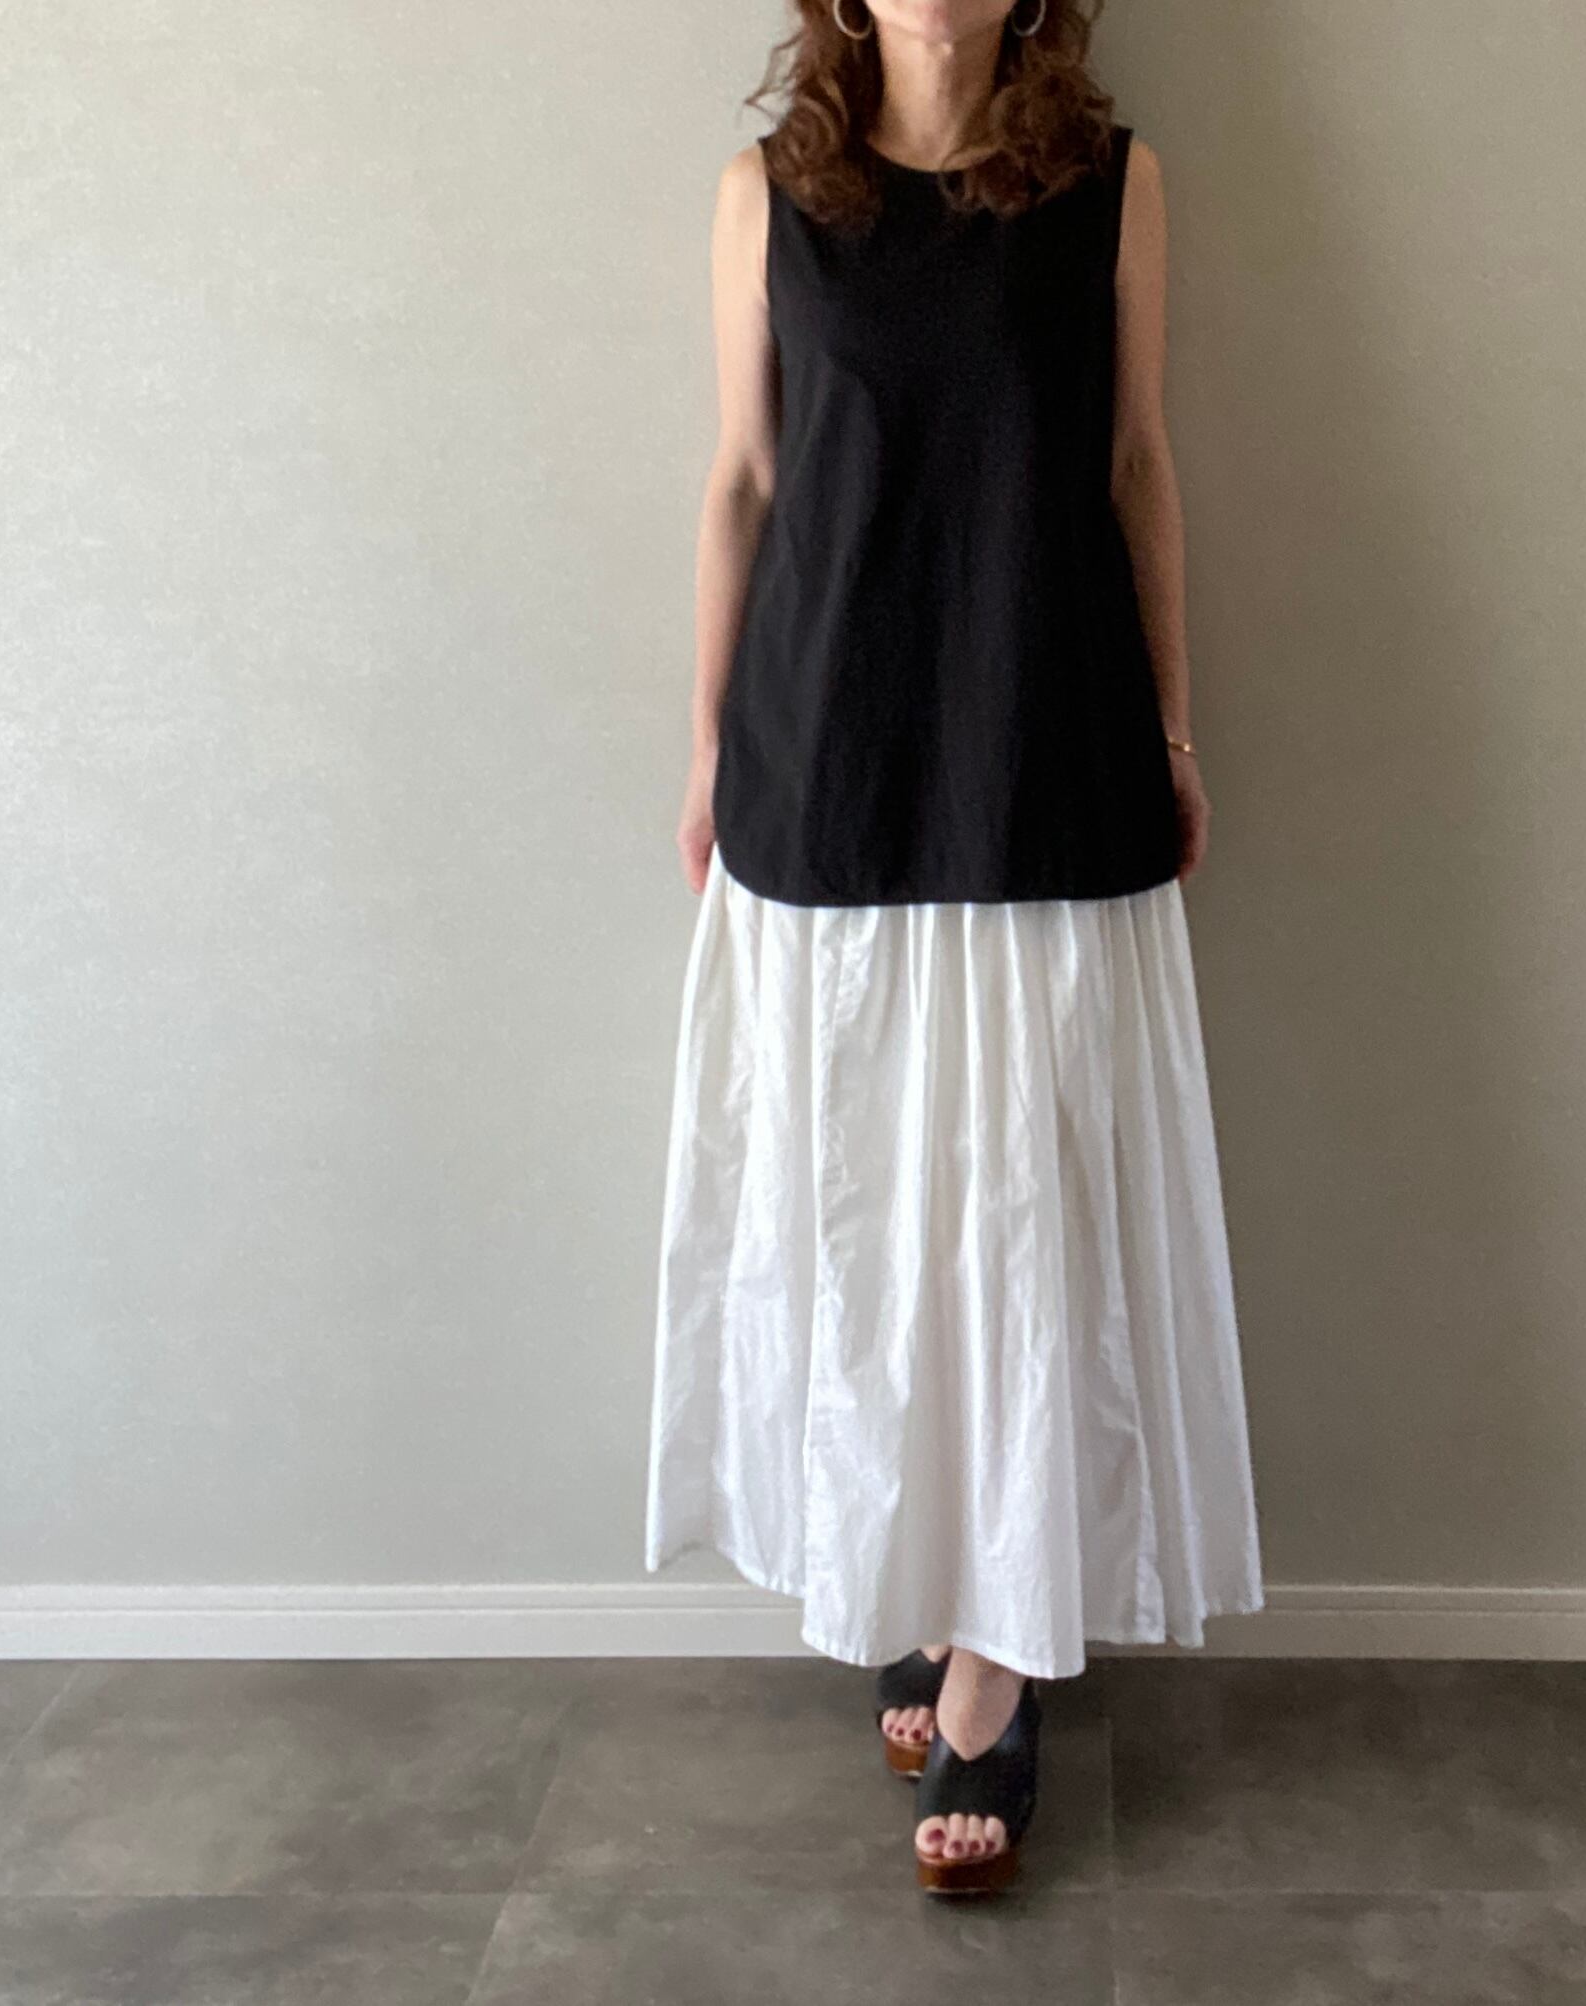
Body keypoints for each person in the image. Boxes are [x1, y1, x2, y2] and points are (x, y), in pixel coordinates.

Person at [644, 0, 1263, 1898]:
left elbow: (1135, 461)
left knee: (1026, 1217)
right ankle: (920, 1582)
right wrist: (706, 746)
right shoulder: (766, 194)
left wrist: (1174, 732)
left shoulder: (1112, 184)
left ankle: (994, 1666)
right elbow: (742, 479)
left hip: (1042, 746)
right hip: (824, 752)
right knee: (867, 1213)